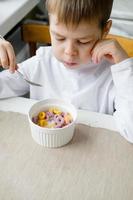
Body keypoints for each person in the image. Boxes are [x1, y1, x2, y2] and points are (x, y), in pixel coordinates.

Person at [0, 0, 133, 142]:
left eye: (83, 42)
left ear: (105, 30)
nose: (69, 52)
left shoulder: (115, 76)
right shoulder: (41, 63)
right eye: (59, 38)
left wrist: (124, 66)